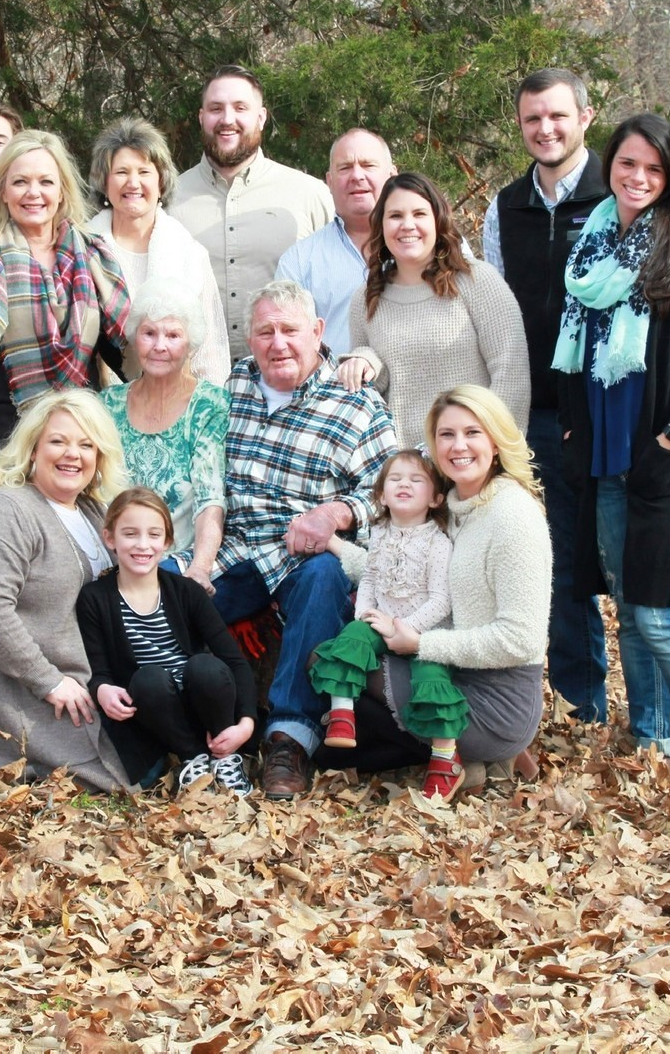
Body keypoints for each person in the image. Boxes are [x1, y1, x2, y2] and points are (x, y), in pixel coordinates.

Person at [552, 113, 670, 796]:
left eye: (654, 169)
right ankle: (651, 739)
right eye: (628, 164)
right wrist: (573, 430)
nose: (638, 178)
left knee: (658, 614)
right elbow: (572, 355)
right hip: (605, 459)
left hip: (668, 462)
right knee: (629, 611)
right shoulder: (589, 248)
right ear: (611, 166)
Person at [315, 386, 551, 797]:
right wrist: (334, 544)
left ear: (496, 441)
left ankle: (485, 752)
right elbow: (399, 571)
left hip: (497, 699)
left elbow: (521, 640)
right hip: (452, 669)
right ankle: (466, 762)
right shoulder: (453, 504)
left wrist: (423, 644)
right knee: (336, 670)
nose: (458, 446)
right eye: (446, 434)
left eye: (472, 433)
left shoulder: (513, 516)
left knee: (332, 666)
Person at [211, 280, 397, 800]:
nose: (278, 344)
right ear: (249, 338)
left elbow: (389, 491)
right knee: (163, 590)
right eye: (265, 332)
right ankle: (175, 730)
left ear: (317, 332)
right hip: (233, 551)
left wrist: (336, 512)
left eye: (290, 330)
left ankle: (288, 740)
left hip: (302, 557)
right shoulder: (234, 385)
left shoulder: (357, 403)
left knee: (324, 577)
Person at [483, 67, 611, 725]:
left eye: (558, 115)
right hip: (536, 414)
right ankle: (577, 704)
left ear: (585, 117)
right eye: (533, 118)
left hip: (612, 411)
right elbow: (496, 313)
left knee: (620, 563)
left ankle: (649, 713)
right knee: (554, 561)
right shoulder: (505, 208)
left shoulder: (619, 191)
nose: (546, 128)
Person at [0, 389, 133, 791]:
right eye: (58, 441)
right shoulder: (4, 511)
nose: (72, 454)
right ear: (33, 449)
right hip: (29, 690)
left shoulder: (94, 512)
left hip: (94, 681)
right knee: (127, 770)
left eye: (86, 445)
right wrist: (48, 681)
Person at [0, 129, 130, 510]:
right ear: (3, 191)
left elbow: (120, 352)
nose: (33, 193)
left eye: (45, 182)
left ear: (63, 191)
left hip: (75, 451)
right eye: (20, 182)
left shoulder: (94, 257)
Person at [76, 488, 257, 796]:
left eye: (154, 534)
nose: (142, 544)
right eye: (130, 534)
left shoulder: (187, 592)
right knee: (148, 678)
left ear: (167, 541)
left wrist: (246, 723)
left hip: (204, 705)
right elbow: (98, 668)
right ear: (110, 538)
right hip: (154, 710)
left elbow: (234, 660)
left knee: (204, 666)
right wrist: (102, 689)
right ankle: (193, 759)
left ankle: (224, 759)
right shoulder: (95, 599)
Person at [338, 172, 530, 445]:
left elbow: (511, 372)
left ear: (438, 221)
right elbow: (371, 390)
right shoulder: (366, 298)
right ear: (380, 225)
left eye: (419, 214)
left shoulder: (477, 281)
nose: (407, 225)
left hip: (472, 456)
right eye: (395, 216)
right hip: (403, 463)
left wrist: (493, 447)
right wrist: (365, 359)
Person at [168, 65, 334, 359]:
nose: (227, 119)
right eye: (216, 109)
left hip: (287, 376)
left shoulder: (310, 195)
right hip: (195, 376)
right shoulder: (168, 200)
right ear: (201, 117)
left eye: (240, 108)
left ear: (261, 117)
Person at [309, 451, 453, 774]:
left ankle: (445, 759)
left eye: (416, 480)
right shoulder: (380, 534)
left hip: (423, 634)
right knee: (350, 638)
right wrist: (364, 613)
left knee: (433, 681)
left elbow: (441, 601)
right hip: (381, 621)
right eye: (395, 479)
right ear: (382, 495)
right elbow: (370, 578)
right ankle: (342, 715)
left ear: (435, 498)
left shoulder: (438, 543)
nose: (405, 484)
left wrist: (403, 628)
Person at [99, 281, 228, 591]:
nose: (159, 346)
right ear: (135, 338)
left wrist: (200, 568)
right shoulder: (107, 403)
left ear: (191, 344)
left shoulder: (210, 404)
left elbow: (210, 497)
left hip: (177, 561)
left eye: (172, 336)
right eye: (149, 333)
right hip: (111, 555)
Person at [85, 117, 228, 382]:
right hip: (99, 399)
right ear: (104, 183)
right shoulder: (82, 249)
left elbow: (211, 355)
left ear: (161, 182)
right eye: (121, 172)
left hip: (179, 399)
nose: (133, 183)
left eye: (144, 172)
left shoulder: (189, 253)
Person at [274, 128, 396, 355]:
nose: (357, 176)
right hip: (335, 378)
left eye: (368, 165)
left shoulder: (433, 244)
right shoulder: (299, 262)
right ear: (329, 181)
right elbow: (286, 345)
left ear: (392, 176)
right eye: (345, 167)